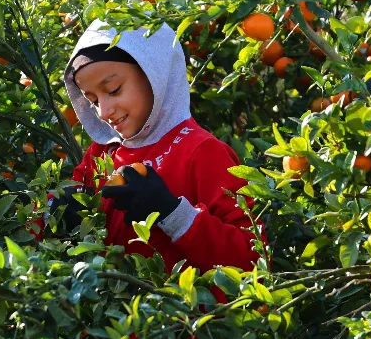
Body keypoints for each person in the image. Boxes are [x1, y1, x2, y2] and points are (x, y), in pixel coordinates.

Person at [45, 20, 264, 273]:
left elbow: (252, 259)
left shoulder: (202, 152)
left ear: (154, 72)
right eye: (93, 100)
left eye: (114, 90)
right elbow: (38, 230)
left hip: (185, 310)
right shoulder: (102, 153)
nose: (104, 112)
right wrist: (55, 213)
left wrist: (171, 212)